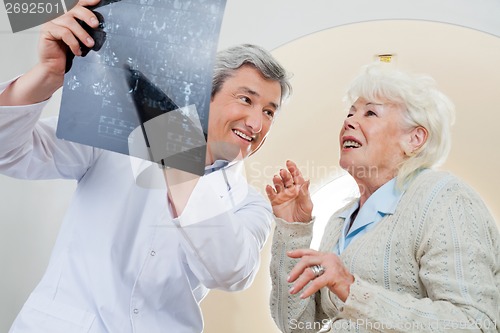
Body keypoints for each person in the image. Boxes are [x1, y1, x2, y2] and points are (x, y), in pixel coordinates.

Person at [0, 0, 292, 332]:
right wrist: (47, 76)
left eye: (270, 111)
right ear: (204, 95)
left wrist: (175, 143)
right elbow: (8, 151)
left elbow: (231, 271)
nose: (256, 122)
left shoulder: (251, 203)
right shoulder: (118, 130)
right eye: (246, 99)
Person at [266, 63, 499, 332]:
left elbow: (474, 324)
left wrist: (351, 288)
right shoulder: (339, 221)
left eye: (370, 113)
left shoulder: (445, 198)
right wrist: (293, 229)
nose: (349, 121)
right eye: (350, 113)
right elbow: (297, 326)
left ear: (414, 139)